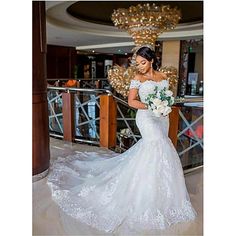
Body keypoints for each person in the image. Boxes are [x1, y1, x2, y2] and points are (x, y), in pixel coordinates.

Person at [47, 46, 197, 235]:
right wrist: (151, 105)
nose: (140, 66)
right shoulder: (138, 78)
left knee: (160, 148)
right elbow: (132, 101)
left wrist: (164, 105)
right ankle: (142, 193)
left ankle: (161, 194)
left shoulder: (163, 77)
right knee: (158, 144)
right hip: (146, 117)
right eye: (138, 63)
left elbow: (168, 97)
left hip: (162, 118)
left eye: (143, 62)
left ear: (151, 60)